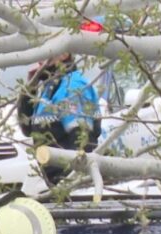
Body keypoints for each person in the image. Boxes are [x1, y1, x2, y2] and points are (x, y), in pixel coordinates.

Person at [17, 52, 100, 183]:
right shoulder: (50, 86)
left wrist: (68, 184)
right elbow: (27, 128)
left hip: (69, 184)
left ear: (64, 54)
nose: (39, 57)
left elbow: (82, 144)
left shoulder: (73, 86)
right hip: (52, 180)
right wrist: (30, 88)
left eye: (47, 49)